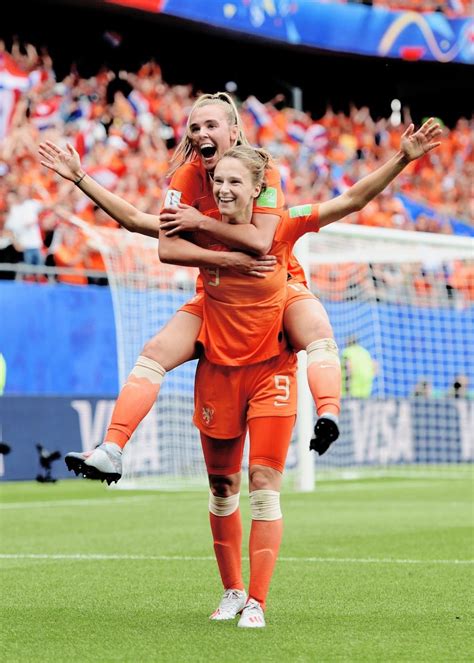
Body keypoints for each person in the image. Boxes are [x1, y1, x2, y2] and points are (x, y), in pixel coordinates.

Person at [164, 123, 441, 628]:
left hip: (273, 367)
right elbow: (148, 228)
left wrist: (401, 160)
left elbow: (352, 199)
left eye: (236, 182)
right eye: (218, 181)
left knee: (264, 481)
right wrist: (80, 181)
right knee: (222, 487)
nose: (224, 190)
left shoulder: (284, 223)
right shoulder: (200, 224)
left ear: (256, 188)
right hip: (222, 365)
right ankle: (231, 591)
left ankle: (257, 603)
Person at [39, 92, 342, 483]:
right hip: (216, 296)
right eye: (194, 128)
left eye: (210, 125)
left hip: (274, 287)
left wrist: (199, 223)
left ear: (234, 132)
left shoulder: (263, 171)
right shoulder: (187, 178)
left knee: (318, 333)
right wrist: (80, 177)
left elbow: (260, 243)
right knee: (155, 354)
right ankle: (111, 449)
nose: (200, 134)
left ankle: (329, 413)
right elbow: (146, 228)